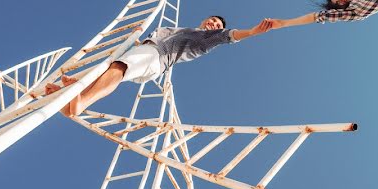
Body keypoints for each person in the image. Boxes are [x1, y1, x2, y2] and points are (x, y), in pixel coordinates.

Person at [45, 15, 273, 118]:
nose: (214, 24)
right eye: (213, 20)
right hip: (148, 52)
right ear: (205, 19)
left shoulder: (206, 38)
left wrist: (252, 31)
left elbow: (229, 36)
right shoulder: (184, 29)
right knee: (113, 69)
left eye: (217, 24)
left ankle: (80, 102)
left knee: (118, 69)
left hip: (156, 56)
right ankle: (72, 98)